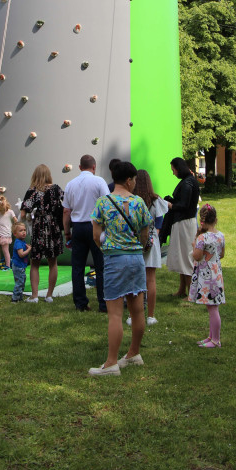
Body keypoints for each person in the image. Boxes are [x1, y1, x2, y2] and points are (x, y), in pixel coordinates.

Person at [88, 161, 152, 375]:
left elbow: (96, 236)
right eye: (134, 180)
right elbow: (145, 235)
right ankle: (133, 353)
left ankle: (111, 363)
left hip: (115, 259)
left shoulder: (103, 203)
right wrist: (137, 248)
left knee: (115, 314)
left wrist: (106, 248)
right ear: (129, 180)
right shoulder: (139, 202)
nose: (135, 183)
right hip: (136, 259)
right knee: (137, 310)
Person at [62, 154, 109, 312]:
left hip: (78, 227)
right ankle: (103, 303)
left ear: (80, 167)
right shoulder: (99, 181)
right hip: (95, 226)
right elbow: (107, 205)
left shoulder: (70, 184)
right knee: (101, 265)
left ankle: (80, 303)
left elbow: (66, 211)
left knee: (77, 267)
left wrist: (67, 232)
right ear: (94, 167)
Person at [127, 169, 169, 326]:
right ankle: (151, 316)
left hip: (134, 242)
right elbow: (159, 224)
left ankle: (133, 315)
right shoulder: (156, 200)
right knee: (151, 280)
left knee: (134, 278)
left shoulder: (132, 200)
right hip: (152, 242)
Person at [20, 164, 64, 303]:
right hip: (53, 226)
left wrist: (28, 217)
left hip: (39, 226)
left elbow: (23, 213)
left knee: (35, 263)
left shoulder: (32, 191)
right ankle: (49, 295)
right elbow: (67, 204)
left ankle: (34, 296)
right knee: (53, 262)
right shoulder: (56, 189)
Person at [189, 203, 225, 347]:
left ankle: (216, 340)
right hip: (216, 274)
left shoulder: (202, 238)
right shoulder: (220, 235)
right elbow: (221, 254)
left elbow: (197, 257)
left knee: (212, 308)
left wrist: (194, 246)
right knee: (212, 306)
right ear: (215, 219)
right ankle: (211, 337)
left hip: (206, 276)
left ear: (201, 221)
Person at [163, 157, 200, 298]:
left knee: (186, 256)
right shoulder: (188, 181)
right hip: (184, 222)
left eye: (173, 170)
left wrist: (170, 205)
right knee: (183, 256)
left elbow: (184, 205)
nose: (173, 173)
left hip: (185, 223)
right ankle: (182, 290)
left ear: (179, 168)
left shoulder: (187, 184)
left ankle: (191, 292)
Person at [0, 194, 17, 270]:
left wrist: (15, 227)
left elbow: (15, 220)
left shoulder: (10, 212)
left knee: (5, 250)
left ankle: (8, 265)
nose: (1, 211)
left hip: (6, 234)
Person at [11, 222, 32, 303]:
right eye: (21, 231)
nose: (23, 232)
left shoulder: (22, 242)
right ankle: (15, 298)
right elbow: (21, 254)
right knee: (19, 282)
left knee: (22, 281)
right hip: (18, 266)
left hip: (21, 266)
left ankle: (19, 296)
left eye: (24, 230)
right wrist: (29, 249)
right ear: (15, 234)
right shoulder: (18, 243)